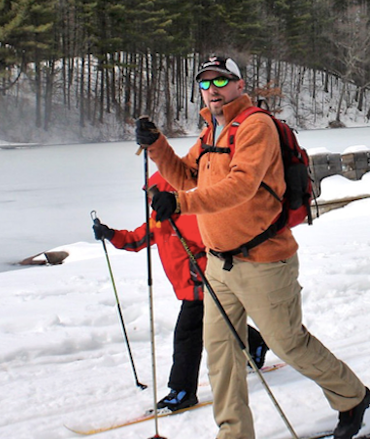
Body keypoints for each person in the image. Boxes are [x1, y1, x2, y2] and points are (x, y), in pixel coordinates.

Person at [136, 55, 370, 439]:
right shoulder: (211, 131)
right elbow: (187, 177)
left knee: (287, 343)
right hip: (218, 264)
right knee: (221, 351)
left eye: (220, 81)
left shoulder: (255, 126)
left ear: (240, 85)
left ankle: (353, 397)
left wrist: (182, 203)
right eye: (205, 84)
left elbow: (242, 186)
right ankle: (234, 436)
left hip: (264, 260)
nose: (212, 90)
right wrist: (157, 147)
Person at [92, 170, 269, 412]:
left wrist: (205, 269)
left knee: (186, 337)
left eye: (154, 193)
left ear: (169, 192)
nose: (150, 199)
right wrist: (109, 234)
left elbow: (217, 245)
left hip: (205, 287)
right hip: (189, 289)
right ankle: (257, 343)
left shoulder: (189, 219)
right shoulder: (158, 221)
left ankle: (182, 391)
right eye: (148, 194)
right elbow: (135, 240)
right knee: (220, 323)